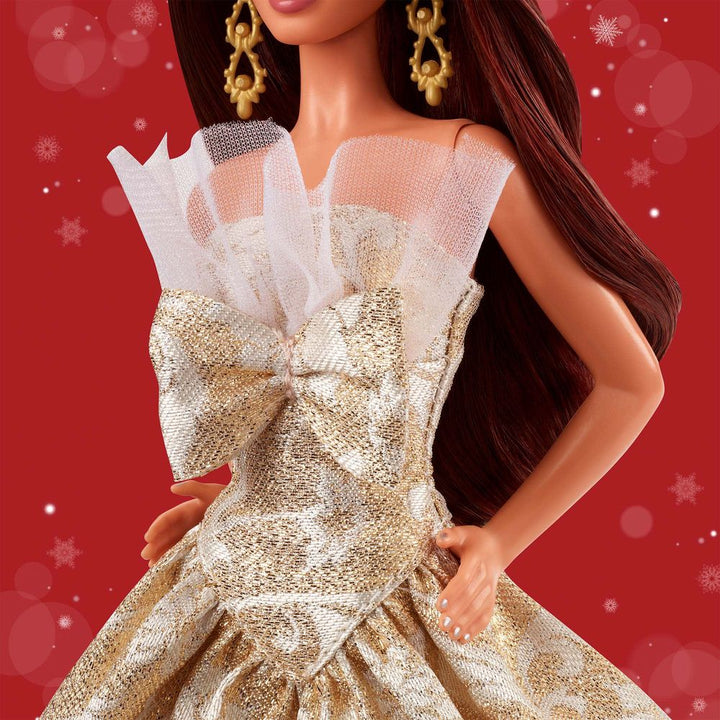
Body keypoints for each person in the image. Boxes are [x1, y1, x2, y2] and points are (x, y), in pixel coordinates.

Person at [41, 1, 680, 717]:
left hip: (391, 580)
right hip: (223, 581)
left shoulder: (464, 163)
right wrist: (254, 504)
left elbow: (631, 382)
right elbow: (257, 399)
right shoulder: (218, 188)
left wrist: (499, 543)